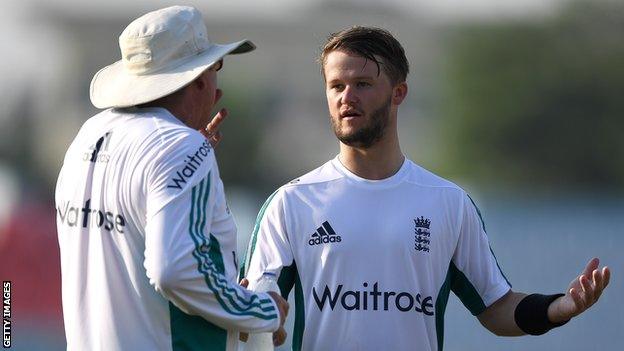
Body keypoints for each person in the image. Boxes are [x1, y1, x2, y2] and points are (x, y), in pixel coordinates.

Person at [241, 26, 610, 351]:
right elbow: (255, 303)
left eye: (363, 85)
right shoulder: (292, 202)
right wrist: (261, 320)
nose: (346, 97)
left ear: (398, 92)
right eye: (336, 85)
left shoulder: (448, 203)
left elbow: (496, 308)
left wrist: (560, 308)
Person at [55, 6, 289, 351]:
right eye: (216, 65)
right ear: (198, 78)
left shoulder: (89, 134)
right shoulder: (179, 146)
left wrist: (188, 154)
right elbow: (174, 270)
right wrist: (262, 310)